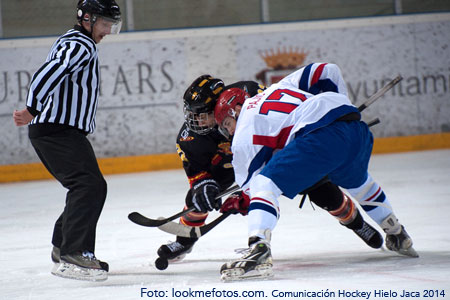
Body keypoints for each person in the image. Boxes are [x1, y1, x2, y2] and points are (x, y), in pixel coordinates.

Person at [212, 63, 417, 281]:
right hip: (355, 128)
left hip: (319, 139)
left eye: (226, 123)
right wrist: (339, 103)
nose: (229, 131)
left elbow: (253, 189)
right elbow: (327, 70)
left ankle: (258, 249)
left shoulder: (244, 131)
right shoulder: (276, 88)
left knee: (265, 184)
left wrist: (241, 201)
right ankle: (396, 232)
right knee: (360, 184)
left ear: (235, 109)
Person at [12, 0, 122, 282]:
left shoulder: (79, 42)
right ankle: (74, 254)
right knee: (88, 185)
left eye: (112, 25)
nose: (108, 30)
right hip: (55, 129)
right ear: (87, 19)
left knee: (86, 186)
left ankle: (64, 248)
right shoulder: (79, 45)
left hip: (59, 130)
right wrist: (31, 109)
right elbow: (46, 73)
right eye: (105, 24)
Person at [156, 75, 265, 264]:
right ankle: (185, 240)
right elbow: (197, 172)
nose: (195, 120)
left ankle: (336, 213)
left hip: (264, 152)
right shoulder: (191, 138)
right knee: (199, 197)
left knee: (318, 185)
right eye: (193, 114)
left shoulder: (250, 95)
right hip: (225, 164)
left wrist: (248, 194)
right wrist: (203, 184)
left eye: (201, 114)